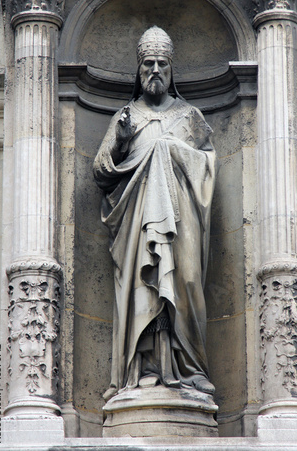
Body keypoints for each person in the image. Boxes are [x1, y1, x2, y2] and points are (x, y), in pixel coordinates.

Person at [93, 26, 217, 402]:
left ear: (172, 68)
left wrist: (170, 150)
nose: (156, 70)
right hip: (138, 224)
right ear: (138, 69)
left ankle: (189, 368)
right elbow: (101, 171)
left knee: (188, 281)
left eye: (163, 63)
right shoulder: (127, 117)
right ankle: (145, 369)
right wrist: (120, 141)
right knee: (144, 290)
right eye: (148, 63)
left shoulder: (189, 117)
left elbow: (209, 164)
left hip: (184, 222)